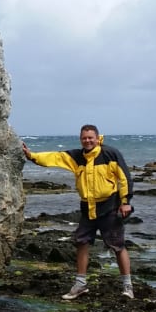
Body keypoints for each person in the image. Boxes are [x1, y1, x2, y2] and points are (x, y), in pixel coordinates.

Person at [22, 125, 135, 300]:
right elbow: (55, 157)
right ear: (80, 139)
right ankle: (80, 285)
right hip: (88, 209)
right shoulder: (76, 156)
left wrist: (126, 202)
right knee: (81, 243)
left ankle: (127, 286)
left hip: (110, 207)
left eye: (91, 138)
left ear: (98, 138)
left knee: (118, 246)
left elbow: (124, 178)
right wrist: (31, 156)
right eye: (84, 138)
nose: (87, 141)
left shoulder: (110, 153)